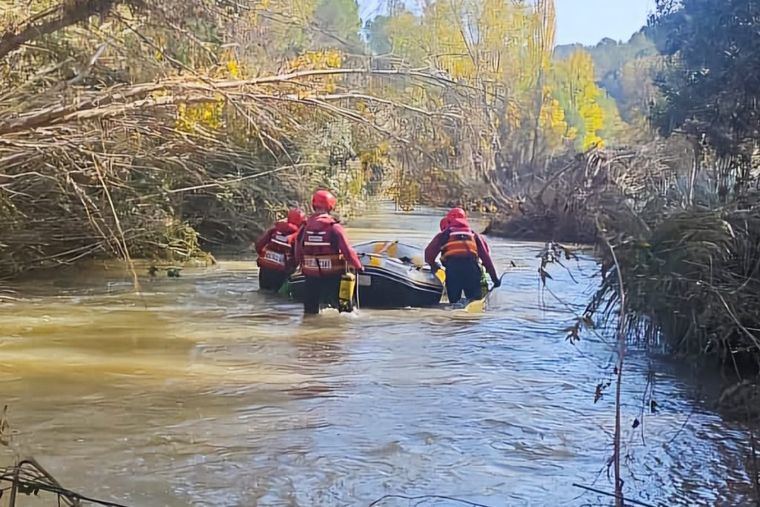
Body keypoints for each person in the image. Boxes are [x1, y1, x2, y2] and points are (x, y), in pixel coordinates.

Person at [295, 189, 363, 315]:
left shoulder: (305, 227)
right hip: (333, 276)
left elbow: (297, 248)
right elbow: (347, 251)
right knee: (340, 310)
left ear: (313, 205)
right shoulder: (334, 227)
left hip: (311, 276)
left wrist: (299, 265)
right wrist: (358, 266)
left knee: (310, 312)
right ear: (331, 206)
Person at [425, 207, 500, 304]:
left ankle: (455, 315)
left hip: (453, 272)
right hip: (472, 271)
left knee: (454, 303)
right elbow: (486, 258)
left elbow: (428, 255)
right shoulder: (473, 235)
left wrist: (434, 266)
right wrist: (495, 279)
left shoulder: (444, 234)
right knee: (474, 302)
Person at [254, 208, 306, 291]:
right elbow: (297, 256)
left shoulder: (275, 229)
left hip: (265, 269)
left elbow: (258, 246)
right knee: (276, 295)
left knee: (263, 292)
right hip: (281, 272)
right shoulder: (297, 235)